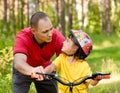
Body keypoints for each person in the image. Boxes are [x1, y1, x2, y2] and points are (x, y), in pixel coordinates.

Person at [12, 11, 65, 93]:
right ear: (33, 31)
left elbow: (65, 59)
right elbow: (18, 62)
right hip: (24, 69)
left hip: (45, 69)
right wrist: (33, 70)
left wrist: (49, 69)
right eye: (45, 32)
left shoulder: (57, 37)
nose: (50, 34)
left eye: (51, 29)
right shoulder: (23, 37)